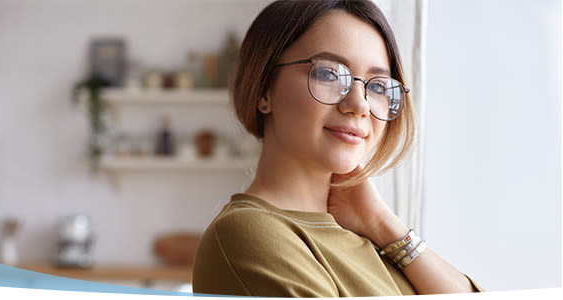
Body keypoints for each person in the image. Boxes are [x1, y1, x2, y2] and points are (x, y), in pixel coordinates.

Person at [192, 0, 482, 297]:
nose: (359, 105)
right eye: (329, 74)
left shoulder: (370, 231)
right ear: (264, 88)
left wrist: (384, 225)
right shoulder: (247, 234)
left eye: (378, 86)